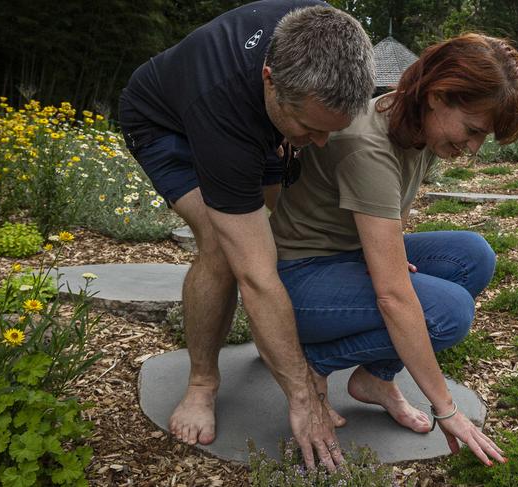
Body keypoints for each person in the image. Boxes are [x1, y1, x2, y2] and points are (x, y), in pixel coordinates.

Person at [118, 0, 375, 471]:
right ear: (270, 80)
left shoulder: (322, 33)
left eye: (330, 131)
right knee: (223, 246)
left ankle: (270, 339)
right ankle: (201, 383)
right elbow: (255, 276)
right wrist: (301, 396)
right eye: (310, 129)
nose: (320, 143)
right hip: (163, 124)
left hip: (254, 119)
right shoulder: (221, 109)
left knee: (265, 231)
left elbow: (310, 131)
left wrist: (299, 131)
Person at [270, 33, 518, 465]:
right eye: (472, 131)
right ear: (438, 96)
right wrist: (447, 408)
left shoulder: (417, 126)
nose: (472, 149)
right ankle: (311, 361)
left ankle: (375, 378)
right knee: (448, 312)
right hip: (299, 280)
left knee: (473, 256)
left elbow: (392, 212)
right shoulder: (367, 146)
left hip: (346, 254)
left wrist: (387, 256)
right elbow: (393, 296)